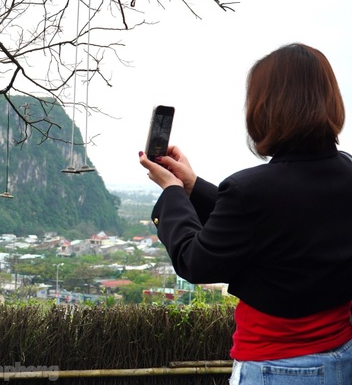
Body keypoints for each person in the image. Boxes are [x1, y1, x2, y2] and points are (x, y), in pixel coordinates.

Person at [138, 43, 352, 384]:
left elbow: (195, 261)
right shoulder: (345, 171)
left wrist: (173, 192)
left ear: (265, 109)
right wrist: (193, 186)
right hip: (342, 355)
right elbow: (272, 220)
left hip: (277, 366)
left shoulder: (253, 190)